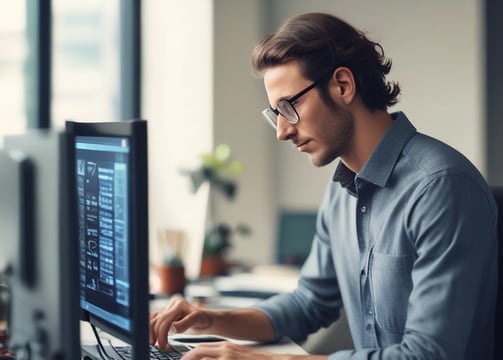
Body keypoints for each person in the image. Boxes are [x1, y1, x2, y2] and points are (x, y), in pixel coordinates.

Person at [149, 12, 498, 359]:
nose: (282, 131)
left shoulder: (441, 188)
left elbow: (426, 355)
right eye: (276, 113)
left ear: (343, 85)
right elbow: (309, 303)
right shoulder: (342, 187)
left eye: (289, 106)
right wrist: (208, 321)